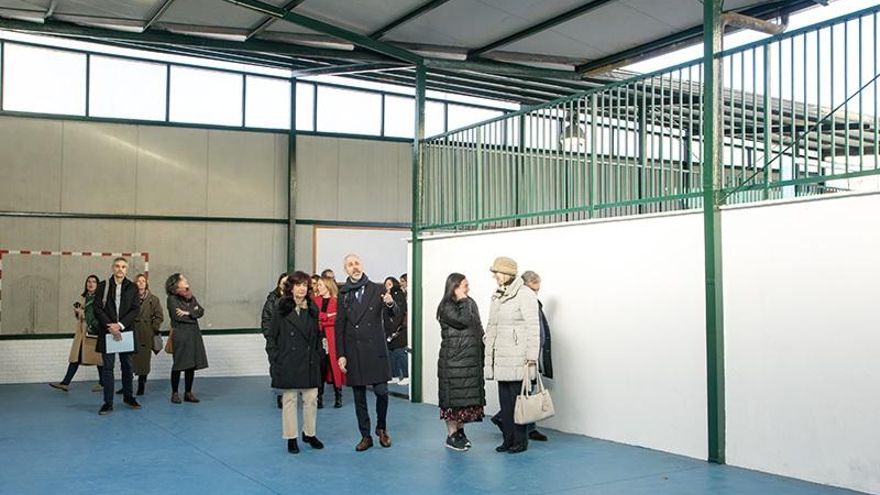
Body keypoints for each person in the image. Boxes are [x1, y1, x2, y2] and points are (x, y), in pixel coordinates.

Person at [335, 254, 398, 452]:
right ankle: (365, 436)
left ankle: (381, 427)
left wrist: (390, 303)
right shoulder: (343, 294)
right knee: (359, 397)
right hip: (354, 352)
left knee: (382, 392)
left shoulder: (378, 289)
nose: (354, 267)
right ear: (345, 270)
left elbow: (393, 314)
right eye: (350, 265)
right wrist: (341, 354)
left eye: (357, 263)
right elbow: (340, 326)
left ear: (362, 265)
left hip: (376, 350)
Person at [484, 256, 539, 454]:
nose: (494, 276)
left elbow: (533, 327)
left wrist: (531, 357)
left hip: (518, 358)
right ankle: (508, 439)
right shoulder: (498, 294)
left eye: (496, 272)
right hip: (502, 357)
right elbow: (493, 325)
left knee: (518, 403)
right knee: (505, 403)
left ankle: (520, 441)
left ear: (506, 273)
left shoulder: (524, 294)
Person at [490, 270, 553, 442]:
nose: (537, 292)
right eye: (535, 288)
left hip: (525, 357)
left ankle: (522, 434)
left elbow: (535, 330)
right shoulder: (505, 296)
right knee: (518, 397)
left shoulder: (528, 299)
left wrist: (533, 356)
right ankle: (512, 432)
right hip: (515, 356)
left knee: (523, 396)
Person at [266, 271, 325, 454]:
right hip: (287, 360)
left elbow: (316, 334)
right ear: (290, 288)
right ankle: (291, 437)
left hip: (309, 361)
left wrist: (318, 354)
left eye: (305, 285)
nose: (301, 288)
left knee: (311, 398)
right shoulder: (280, 308)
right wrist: (275, 357)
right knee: (290, 400)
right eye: (298, 285)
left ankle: (309, 433)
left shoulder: (312, 308)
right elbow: (272, 335)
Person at [437, 273, 485, 451]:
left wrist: (482, 349)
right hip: (453, 362)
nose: (468, 288)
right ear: (455, 286)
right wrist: (464, 300)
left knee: (463, 401)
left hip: (469, 360)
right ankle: (451, 435)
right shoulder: (446, 306)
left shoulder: (469, 303)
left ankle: (460, 433)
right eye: (465, 285)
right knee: (452, 400)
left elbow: (477, 326)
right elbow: (463, 321)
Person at [94, 257, 142, 415]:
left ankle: (128, 396)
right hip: (107, 332)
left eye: (123, 267)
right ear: (112, 268)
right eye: (117, 266)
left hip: (126, 331)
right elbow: (97, 308)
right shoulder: (103, 286)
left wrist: (120, 325)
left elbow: (135, 309)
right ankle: (108, 403)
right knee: (107, 368)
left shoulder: (133, 287)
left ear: (126, 270)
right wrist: (110, 326)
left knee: (127, 366)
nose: (120, 269)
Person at [49, 275, 104, 393]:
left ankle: (103, 383)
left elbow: (97, 316)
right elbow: (81, 316)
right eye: (88, 281)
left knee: (98, 358)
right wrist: (77, 312)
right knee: (76, 357)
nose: (91, 284)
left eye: (94, 282)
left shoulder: (99, 299)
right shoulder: (84, 298)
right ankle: (65, 383)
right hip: (81, 333)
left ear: (98, 285)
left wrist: (82, 313)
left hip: (92, 333)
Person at [165, 273, 208, 404]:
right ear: (176, 283)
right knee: (178, 365)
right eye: (183, 279)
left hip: (193, 335)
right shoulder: (172, 299)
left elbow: (200, 311)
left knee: (191, 365)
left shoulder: (190, 296)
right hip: (180, 336)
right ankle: (175, 393)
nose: (186, 280)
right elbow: (178, 316)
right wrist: (192, 314)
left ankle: (188, 393)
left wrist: (188, 312)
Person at [127, 274, 164, 396]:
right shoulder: (129, 297)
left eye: (143, 281)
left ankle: (141, 384)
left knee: (143, 360)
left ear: (146, 283)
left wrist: (153, 329)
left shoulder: (153, 299)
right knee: (128, 360)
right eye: (138, 281)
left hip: (146, 333)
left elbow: (159, 316)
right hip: (132, 331)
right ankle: (126, 385)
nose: (141, 283)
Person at [313, 275, 345, 409]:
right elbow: (313, 316)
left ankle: (338, 396)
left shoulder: (337, 301)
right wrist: (326, 316)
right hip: (319, 337)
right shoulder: (314, 301)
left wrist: (323, 318)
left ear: (327, 286)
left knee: (335, 367)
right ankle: (319, 397)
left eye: (320, 285)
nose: (317, 287)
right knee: (319, 367)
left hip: (333, 338)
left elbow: (338, 319)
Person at [262, 273, 287, 409]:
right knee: (276, 368)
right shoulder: (271, 300)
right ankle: (280, 395)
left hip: (290, 341)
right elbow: (266, 320)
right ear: (278, 284)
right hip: (275, 341)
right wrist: (270, 337)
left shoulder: (294, 299)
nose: (285, 284)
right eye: (283, 282)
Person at [383, 276, 409, 386]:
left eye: (389, 284)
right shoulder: (386, 296)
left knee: (400, 352)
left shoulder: (399, 295)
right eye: (386, 284)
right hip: (389, 329)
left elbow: (399, 313)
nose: (387, 286)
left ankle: (407, 375)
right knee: (391, 353)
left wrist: (394, 328)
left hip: (399, 329)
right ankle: (394, 375)